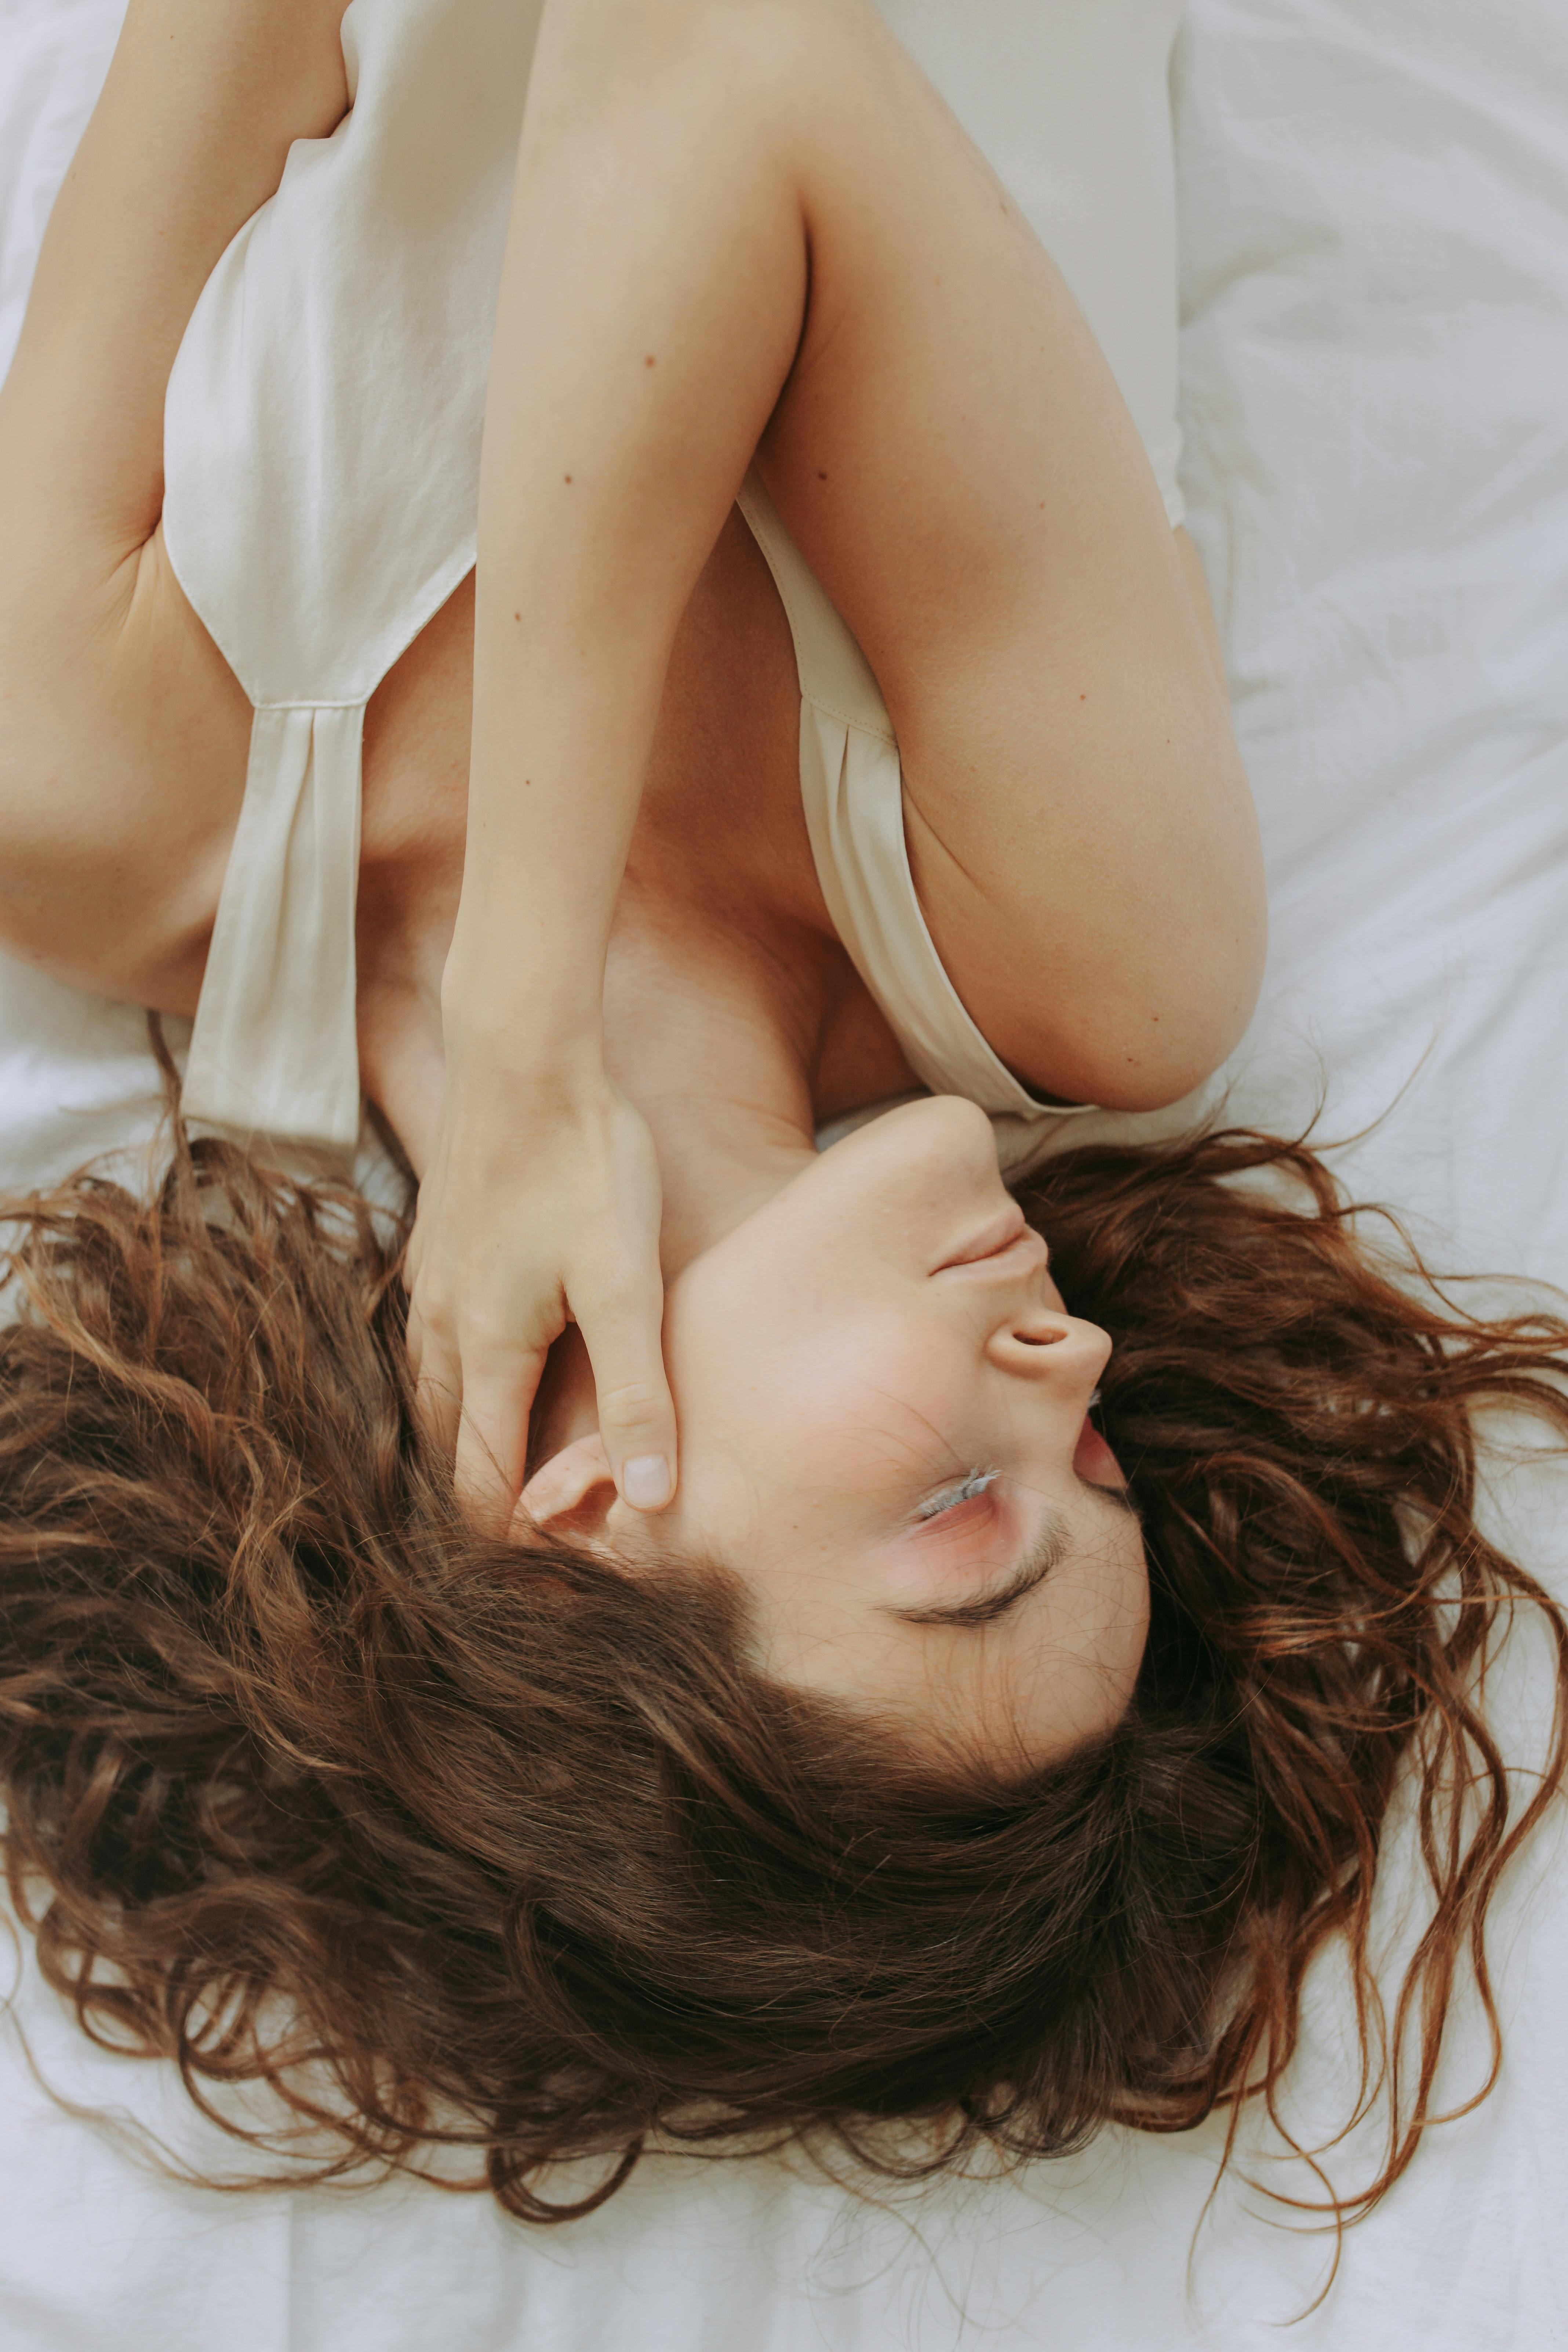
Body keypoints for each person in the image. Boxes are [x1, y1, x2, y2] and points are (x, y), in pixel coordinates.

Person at [0, 0, 1562, 2228]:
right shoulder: (1087, 951)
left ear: (579, 1528)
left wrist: (528, 1016)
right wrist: (521, 1007)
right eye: (1101, 1466)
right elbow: (720, 47)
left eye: (965, 1508)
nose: (1074, 1363)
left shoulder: (88, 805)